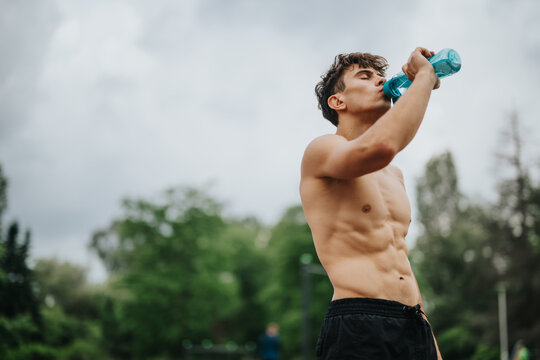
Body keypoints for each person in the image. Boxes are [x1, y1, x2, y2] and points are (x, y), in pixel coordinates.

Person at [299, 47, 443, 359]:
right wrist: (424, 79)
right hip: (359, 322)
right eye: (365, 77)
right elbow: (381, 147)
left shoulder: (395, 175)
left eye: (381, 75)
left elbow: (398, 257)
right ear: (338, 101)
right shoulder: (322, 150)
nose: (380, 81)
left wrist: (429, 339)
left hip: (414, 323)